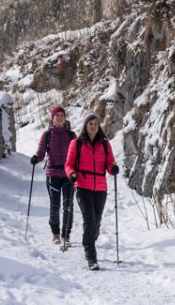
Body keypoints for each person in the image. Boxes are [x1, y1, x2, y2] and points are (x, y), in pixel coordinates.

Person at [64, 112, 119, 270]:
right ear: (85, 126)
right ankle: (91, 256)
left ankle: (90, 239)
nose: (93, 126)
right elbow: (68, 165)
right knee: (89, 220)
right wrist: (72, 174)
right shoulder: (77, 143)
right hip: (82, 186)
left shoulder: (104, 143)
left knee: (96, 221)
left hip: (100, 188)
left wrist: (113, 168)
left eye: (95, 124)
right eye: (90, 124)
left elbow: (110, 162)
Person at [30, 105, 75, 248]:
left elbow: (77, 154)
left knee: (68, 205)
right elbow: (41, 153)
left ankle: (66, 235)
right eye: (57, 116)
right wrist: (36, 158)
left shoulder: (71, 135)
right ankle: (55, 233)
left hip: (68, 175)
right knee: (55, 205)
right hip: (53, 174)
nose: (60, 118)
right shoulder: (47, 135)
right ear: (53, 118)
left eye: (62, 115)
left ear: (65, 118)